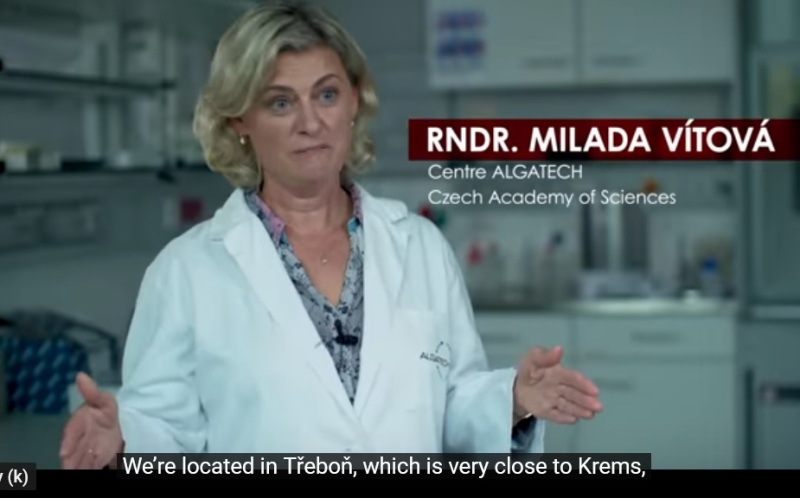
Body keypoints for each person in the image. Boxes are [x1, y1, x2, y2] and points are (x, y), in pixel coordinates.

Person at [59, 0, 602, 469]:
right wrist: (123, 437)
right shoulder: (186, 271)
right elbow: (165, 429)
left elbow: (454, 404)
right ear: (239, 121)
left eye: (325, 95)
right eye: (280, 102)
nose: (310, 122)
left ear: (353, 103)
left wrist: (512, 399)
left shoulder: (420, 247)